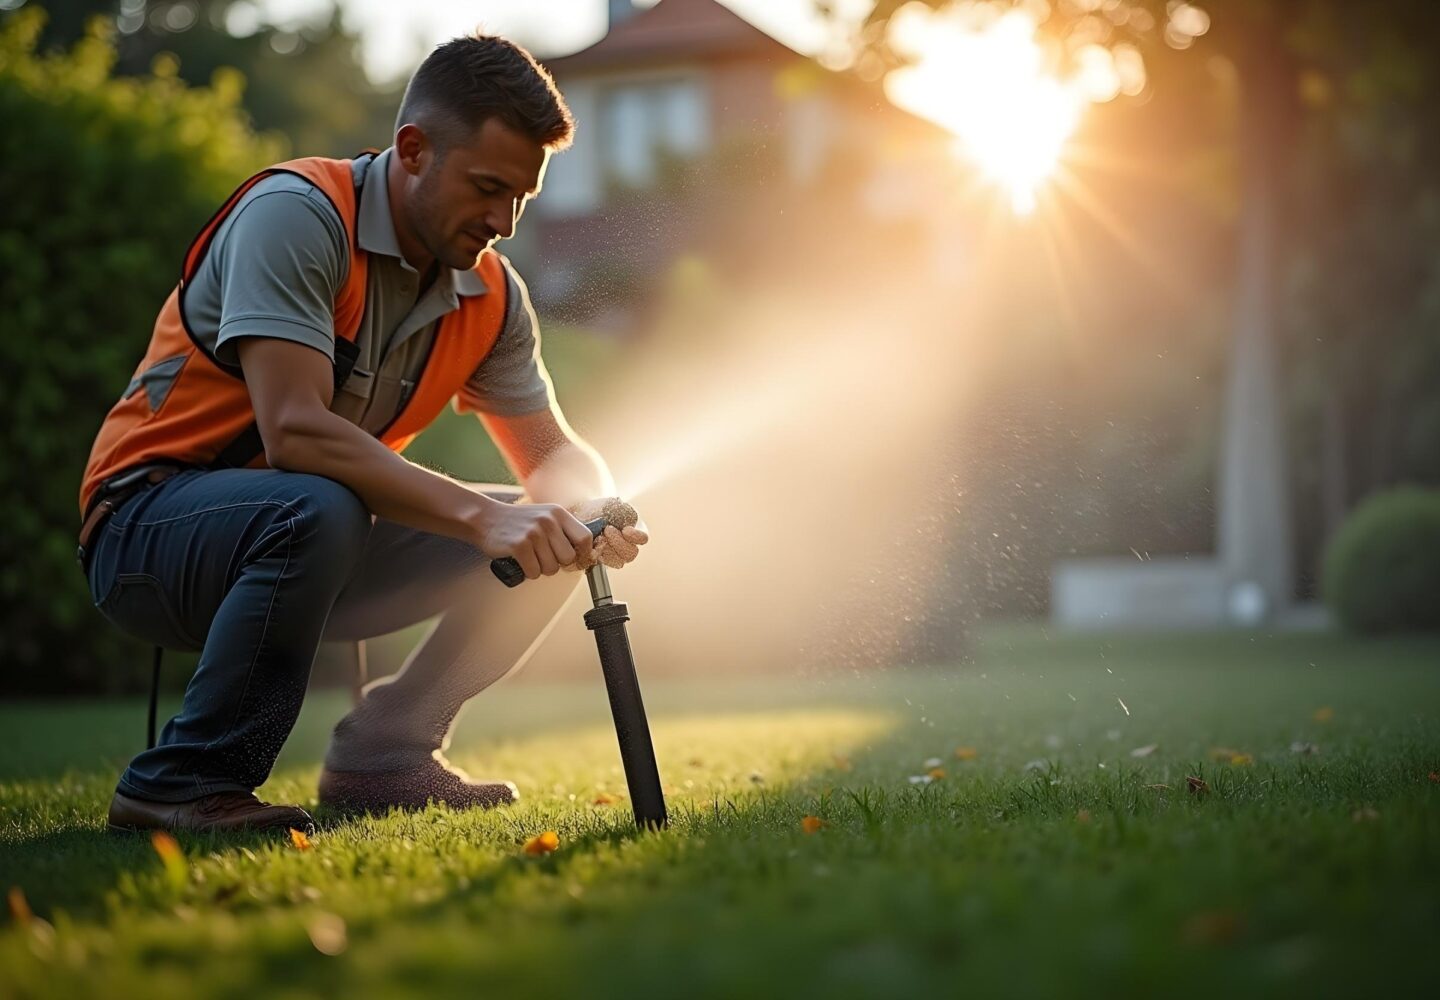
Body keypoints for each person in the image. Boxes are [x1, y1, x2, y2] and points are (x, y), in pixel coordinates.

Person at [76, 33, 647, 836]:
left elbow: (551, 452)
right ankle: (183, 781)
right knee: (325, 504)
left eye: (521, 196)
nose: (504, 221)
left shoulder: (490, 292)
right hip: (145, 533)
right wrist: (488, 519)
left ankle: (384, 757)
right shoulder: (297, 216)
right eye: (488, 187)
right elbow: (295, 434)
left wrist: (589, 515)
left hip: (311, 537)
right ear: (412, 150)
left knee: (551, 532)